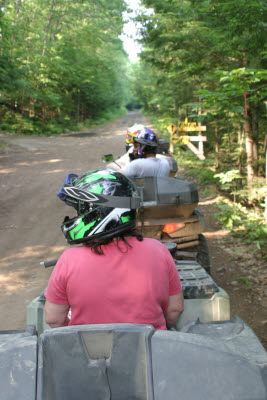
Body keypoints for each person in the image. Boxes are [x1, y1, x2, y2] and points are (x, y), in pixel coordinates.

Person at [44, 169, 184, 330]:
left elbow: (53, 319)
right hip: (150, 350)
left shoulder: (69, 259)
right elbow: (175, 309)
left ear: (96, 211)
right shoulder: (158, 250)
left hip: (88, 352)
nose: (77, 215)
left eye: (80, 210)